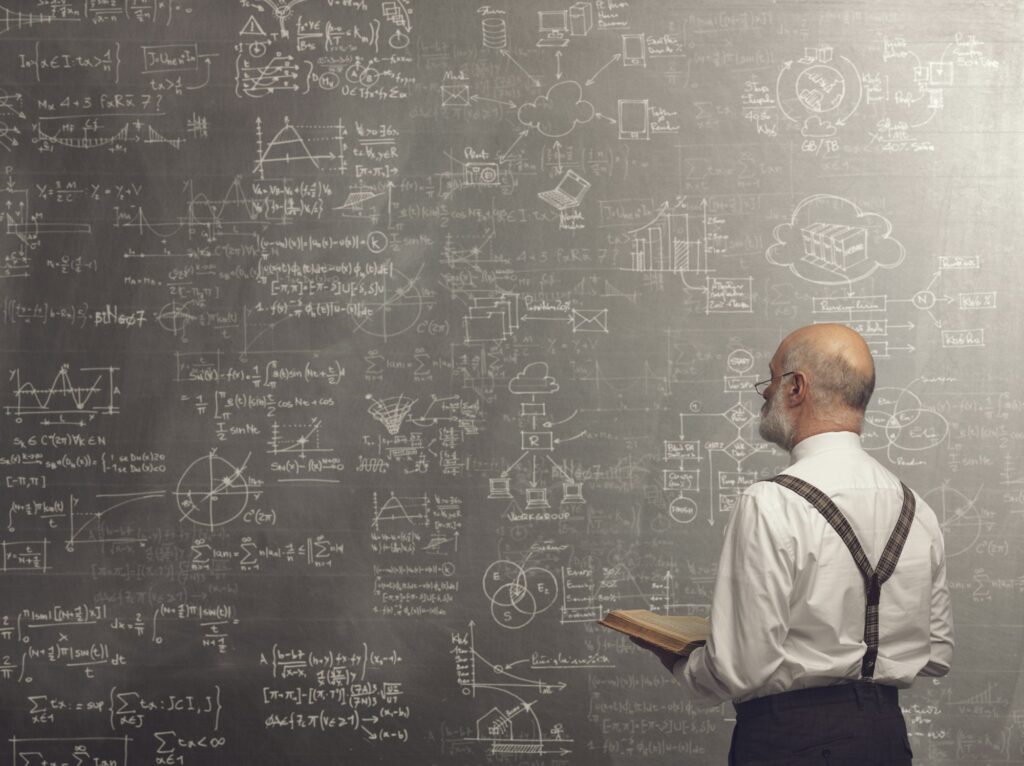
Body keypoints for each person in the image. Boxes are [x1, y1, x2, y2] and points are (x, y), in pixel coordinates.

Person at [633, 324, 954, 765]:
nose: (764, 392)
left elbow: (742, 668)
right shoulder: (917, 509)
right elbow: (936, 653)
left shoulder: (771, 502)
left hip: (790, 742)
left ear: (797, 387)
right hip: (886, 741)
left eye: (771, 378)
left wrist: (678, 662)